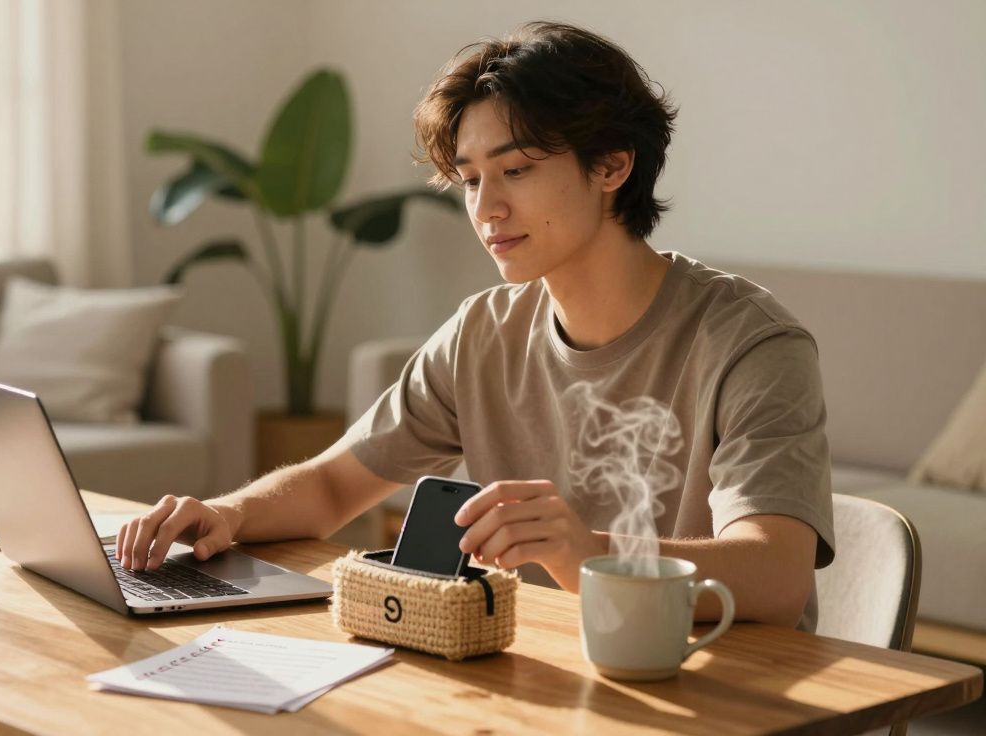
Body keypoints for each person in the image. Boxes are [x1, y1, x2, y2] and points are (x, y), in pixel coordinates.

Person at [118, 21, 834, 631]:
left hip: (717, 686)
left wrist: (583, 551)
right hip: (535, 673)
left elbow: (775, 576)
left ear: (613, 165)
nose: (485, 209)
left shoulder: (750, 343)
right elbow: (334, 486)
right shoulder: (483, 331)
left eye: (516, 170)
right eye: (469, 179)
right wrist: (225, 514)